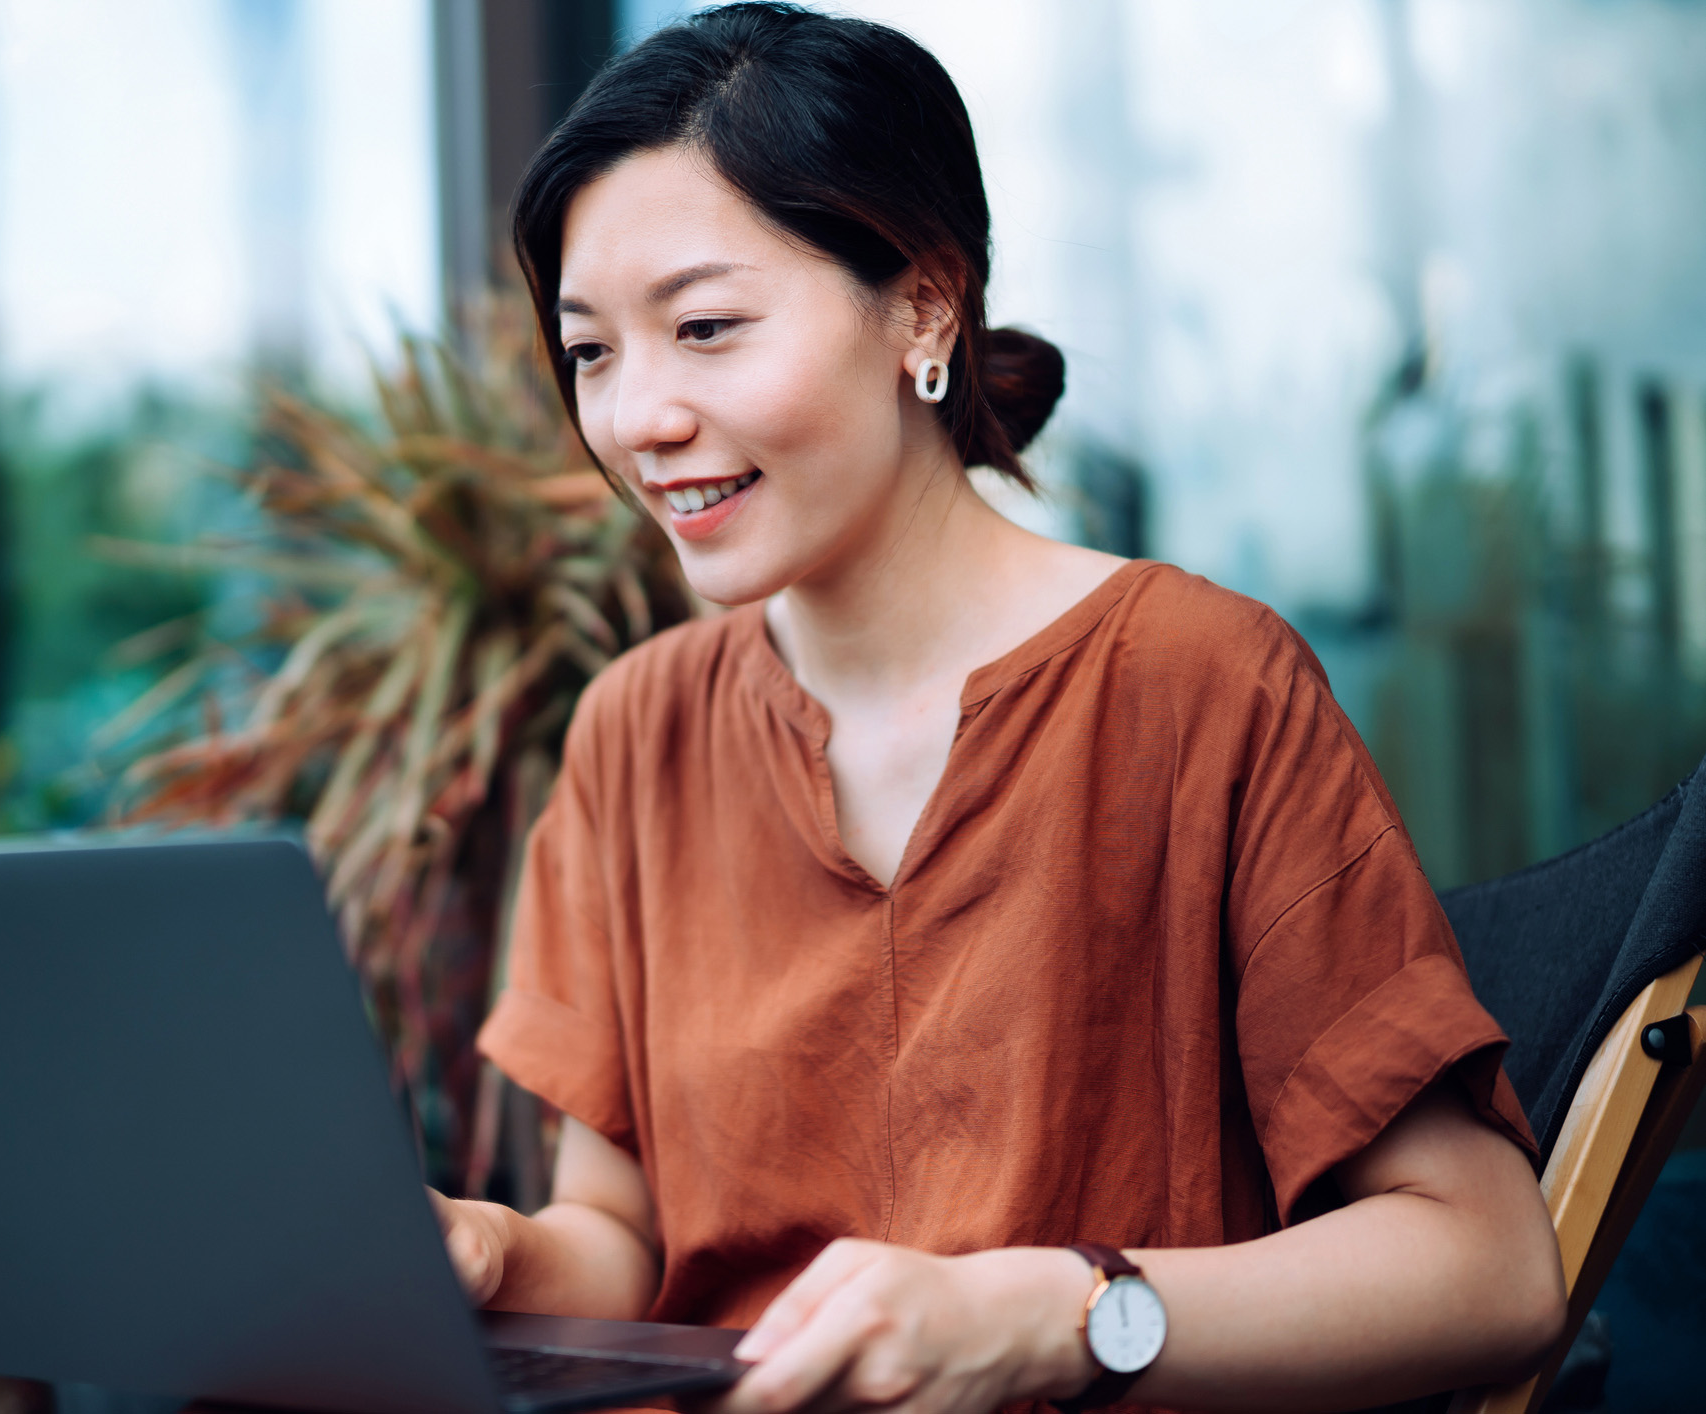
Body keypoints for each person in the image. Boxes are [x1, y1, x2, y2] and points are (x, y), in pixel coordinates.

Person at [428, 6, 1566, 1410]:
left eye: (706, 328)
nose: (636, 416)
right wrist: (479, 1247)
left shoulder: (1197, 682)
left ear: (920, 304)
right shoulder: (633, 732)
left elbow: (1489, 1268)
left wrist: (1054, 1310)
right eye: (591, 350)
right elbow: (618, 1244)